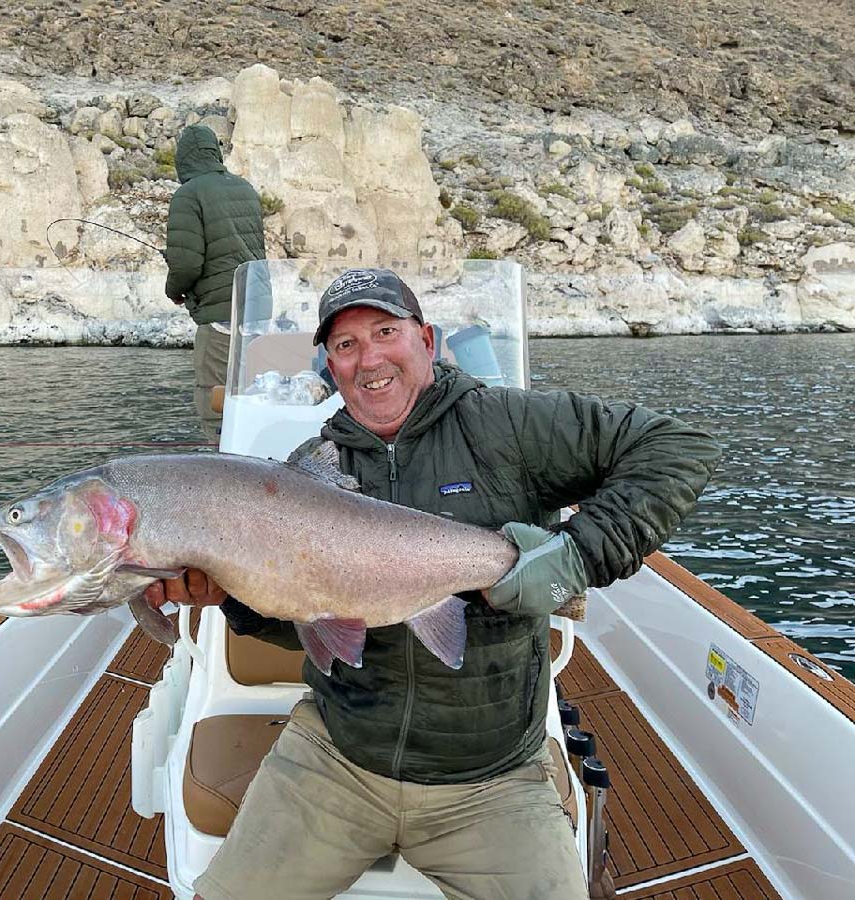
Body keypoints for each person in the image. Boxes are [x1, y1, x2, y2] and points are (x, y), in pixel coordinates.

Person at [145, 267, 722, 900]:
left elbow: (678, 447)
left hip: (492, 781)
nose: (369, 359)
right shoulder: (307, 477)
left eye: (385, 332)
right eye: (345, 345)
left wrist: (577, 556)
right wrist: (229, 596)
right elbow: (300, 625)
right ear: (329, 365)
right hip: (338, 759)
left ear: (426, 338)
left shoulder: (510, 426)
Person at [164, 124, 266, 443]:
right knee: (252, 406)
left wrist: (174, 291)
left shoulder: (188, 194)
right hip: (257, 314)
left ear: (185, 159)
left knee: (216, 409)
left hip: (219, 320)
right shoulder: (245, 188)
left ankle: (225, 481)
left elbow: (186, 263)